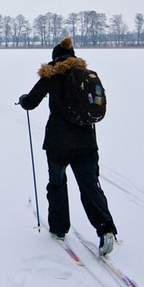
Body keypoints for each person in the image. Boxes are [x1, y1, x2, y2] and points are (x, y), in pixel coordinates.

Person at [18, 37, 118, 255]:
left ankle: (59, 228)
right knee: (90, 186)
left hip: (58, 143)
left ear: (55, 57)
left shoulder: (52, 73)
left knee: (57, 183)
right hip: (86, 142)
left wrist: (23, 99)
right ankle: (106, 229)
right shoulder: (84, 73)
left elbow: (31, 102)